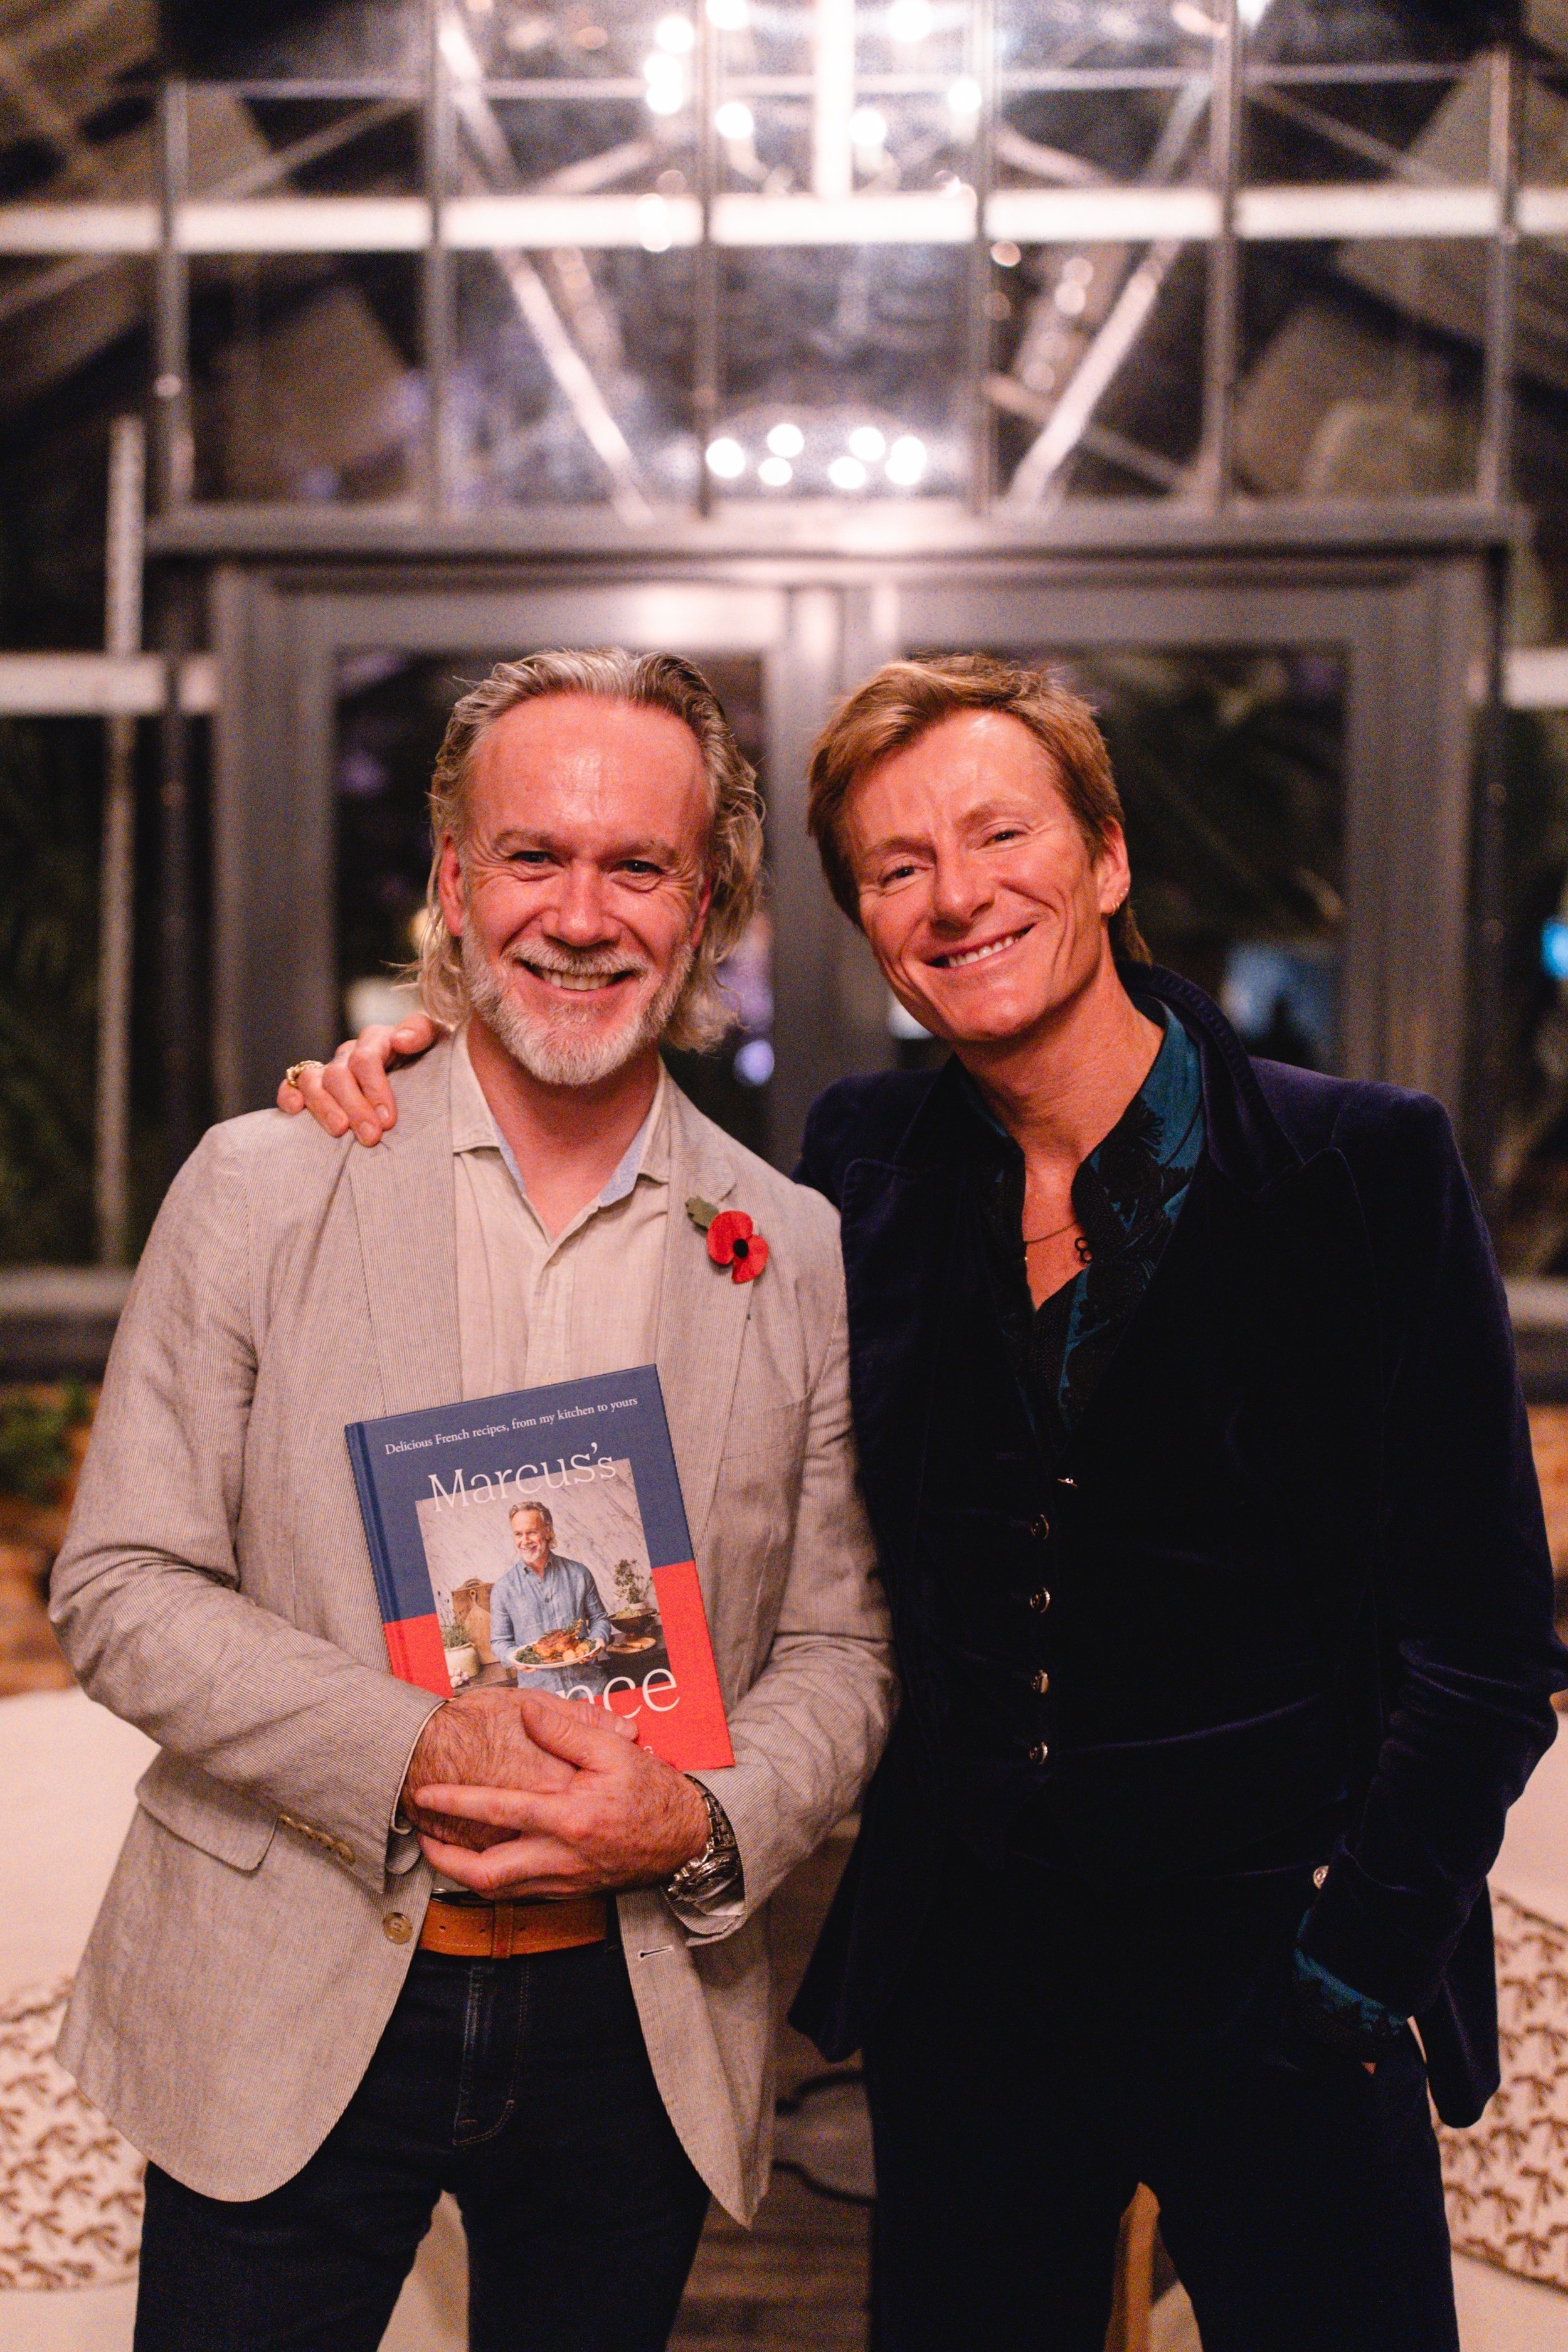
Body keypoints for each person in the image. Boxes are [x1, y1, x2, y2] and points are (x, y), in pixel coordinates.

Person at [304, 652, 1568, 2352]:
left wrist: (1355, 1961)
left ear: (1105, 856)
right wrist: (425, 1086)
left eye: (997, 835)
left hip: (1286, 1975)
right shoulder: (859, 1162)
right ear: (869, 927)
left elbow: (1487, 1650)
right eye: (896, 866)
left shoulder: (1365, 1166)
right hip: (971, 1994)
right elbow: (642, 1278)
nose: (955, 894)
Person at [51, 647, 893, 2352]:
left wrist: (700, 1819)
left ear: (708, 903)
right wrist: (419, 1743)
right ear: (454, 879)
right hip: (285, 1991)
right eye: (532, 855)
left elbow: (841, 1647)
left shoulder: (789, 1244)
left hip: (632, 2012)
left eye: (636, 863)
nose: (578, 913)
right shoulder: (265, 1182)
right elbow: (122, 1581)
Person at [490, 1499, 615, 1696]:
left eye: (532, 1532)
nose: (525, 1541)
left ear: (548, 1531)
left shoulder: (579, 1574)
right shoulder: (503, 1589)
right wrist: (513, 1658)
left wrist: (597, 1640)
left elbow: (599, 1618)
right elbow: (499, 1641)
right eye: (518, 1534)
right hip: (540, 1696)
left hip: (590, 1686)